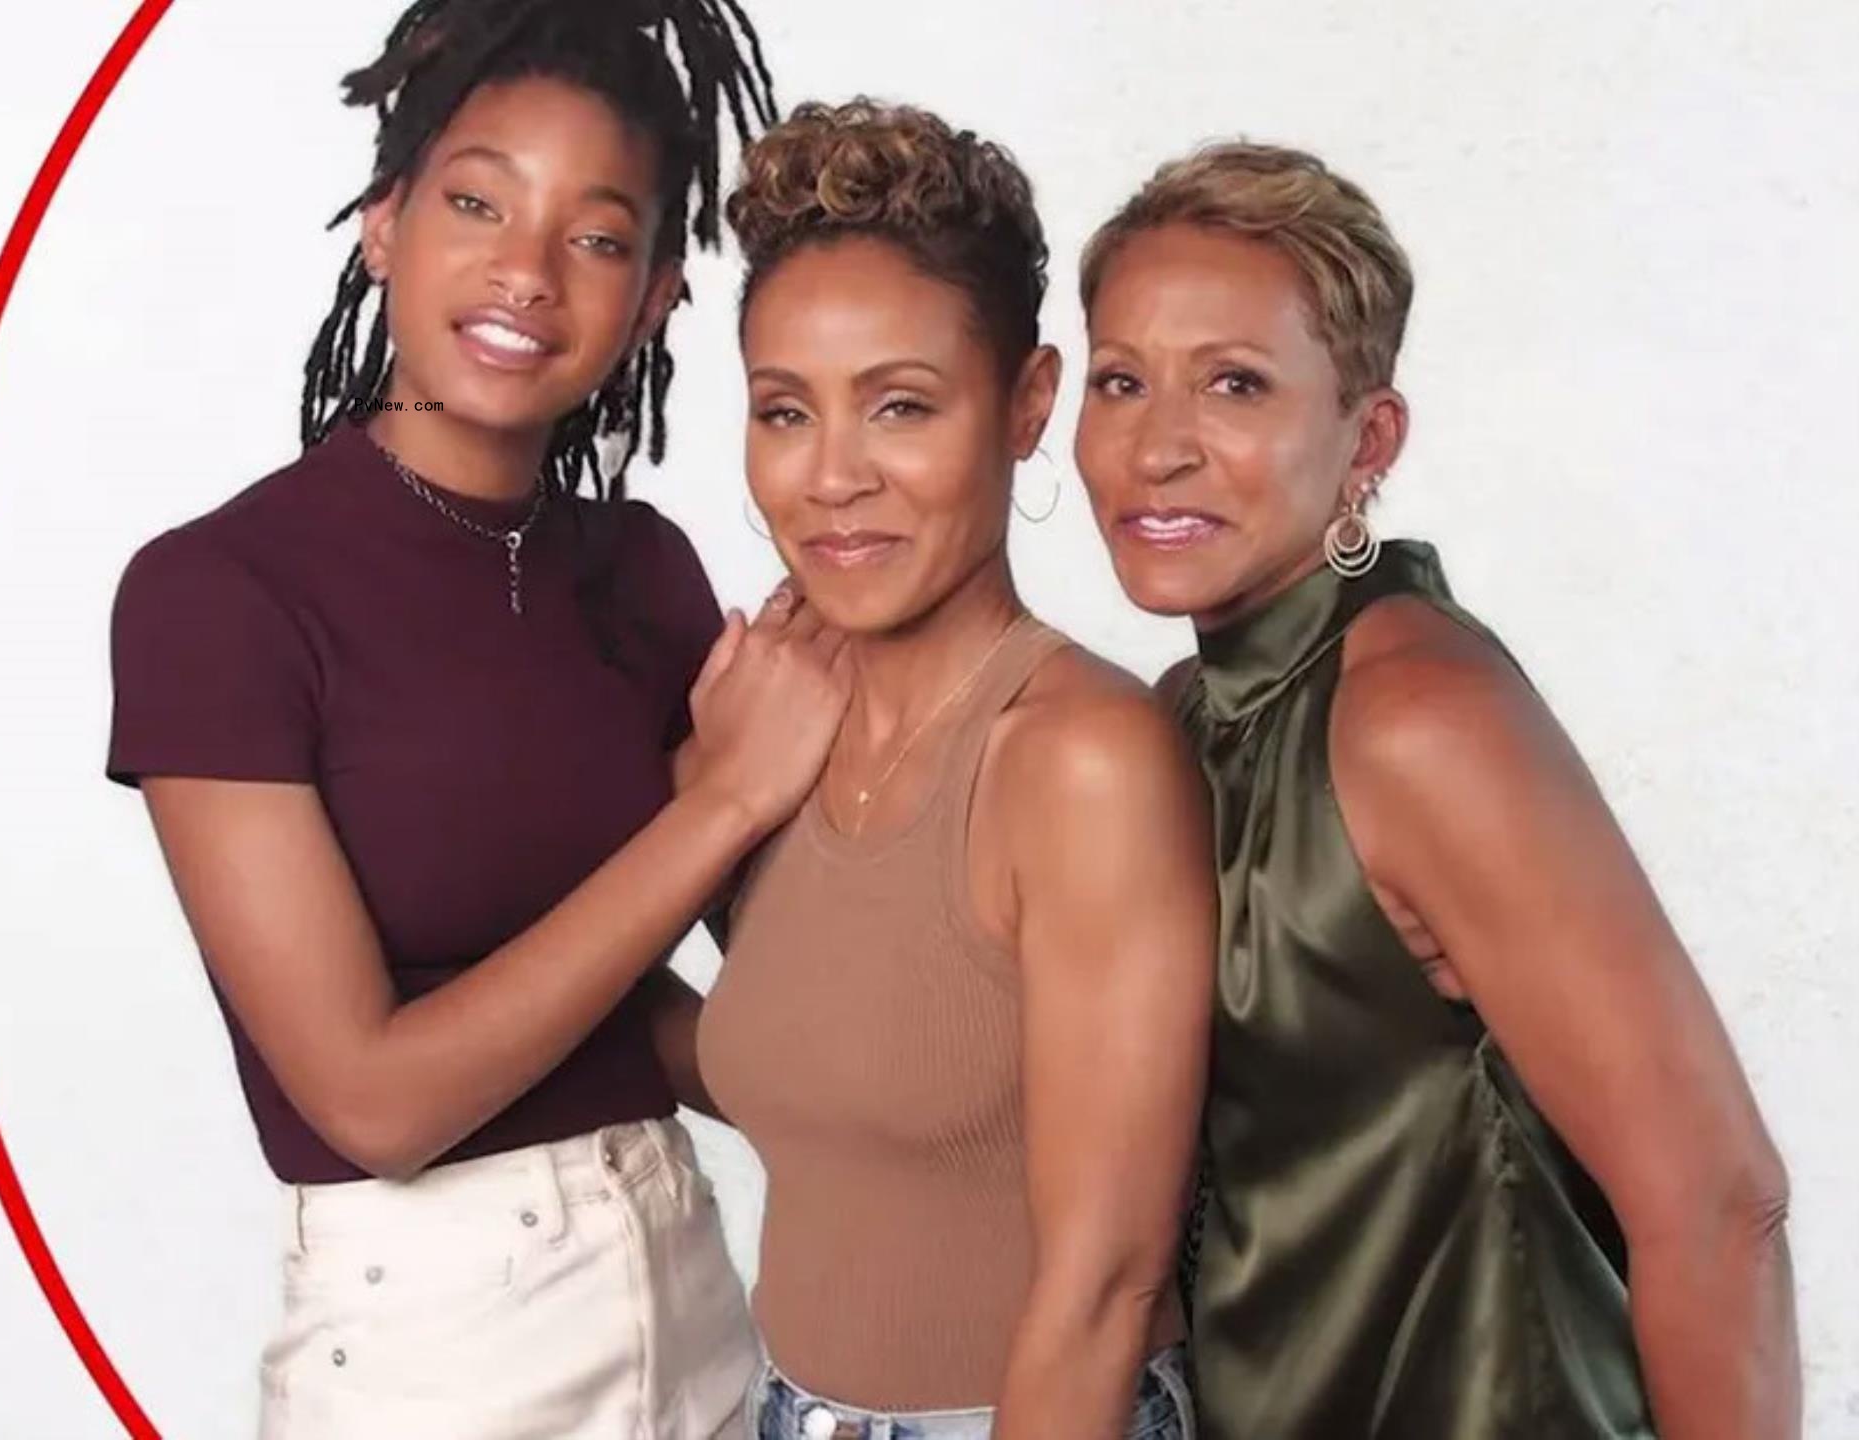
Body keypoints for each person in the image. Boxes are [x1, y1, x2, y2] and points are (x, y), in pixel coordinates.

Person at [103, 3, 843, 1435]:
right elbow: (371, 1102)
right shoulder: (217, 595)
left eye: (598, 236)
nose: (527, 271)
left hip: (700, 1309)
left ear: (657, 298)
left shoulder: (642, 574)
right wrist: (723, 805)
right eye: (475, 200)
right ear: (382, 224)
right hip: (433, 1355)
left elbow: (712, 1001)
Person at [1072, 139, 1799, 1439]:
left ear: (1370, 435)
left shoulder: (1417, 719)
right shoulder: (1186, 717)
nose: (1156, 447)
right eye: (1121, 381)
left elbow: (1717, 1203)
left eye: (1234, 384)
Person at [693, 99, 1216, 1440]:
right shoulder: (771, 729)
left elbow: (1104, 1284)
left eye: (902, 408)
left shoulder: (1077, 761)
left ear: (1028, 402)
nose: (832, 478)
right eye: (784, 412)